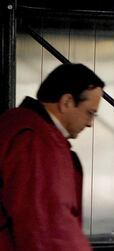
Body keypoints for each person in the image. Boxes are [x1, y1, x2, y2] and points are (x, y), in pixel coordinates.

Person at [0, 63, 105, 250]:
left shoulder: (17, 126)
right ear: (66, 102)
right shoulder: (37, 141)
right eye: (90, 113)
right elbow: (47, 226)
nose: (90, 124)